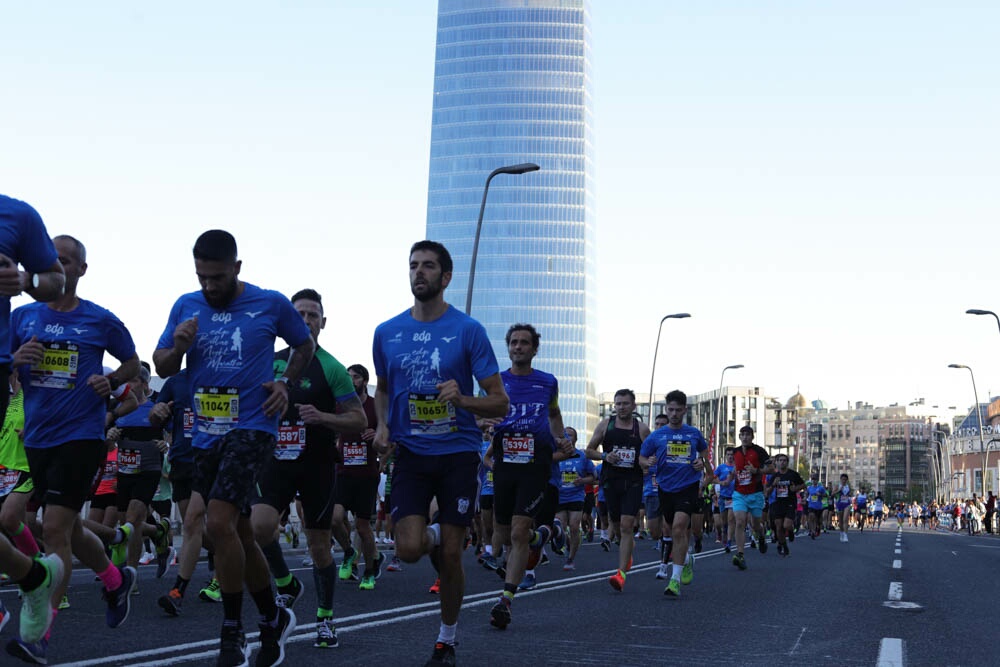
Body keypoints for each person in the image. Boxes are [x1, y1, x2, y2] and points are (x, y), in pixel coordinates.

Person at [153, 230, 315, 667]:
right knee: (236, 532)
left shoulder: (269, 303)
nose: (210, 286)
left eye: (218, 277)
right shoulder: (186, 305)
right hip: (206, 432)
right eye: (202, 277)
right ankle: (271, 616)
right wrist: (179, 348)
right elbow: (160, 362)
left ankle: (231, 634)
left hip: (253, 426)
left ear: (237, 269)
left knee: (218, 522)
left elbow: (304, 343)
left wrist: (285, 382)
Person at [372, 240, 508, 666]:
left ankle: (447, 638)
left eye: (428, 266)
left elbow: (500, 402)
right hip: (411, 453)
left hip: (458, 453)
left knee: (450, 554)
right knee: (409, 548)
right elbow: (382, 388)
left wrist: (463, 399)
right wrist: (381, 425)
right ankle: (434, 535)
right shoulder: (387, 331)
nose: (419, 273)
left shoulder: (468, 330)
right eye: (413, 265)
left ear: (445, 277)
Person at [8, 234, 138, 662]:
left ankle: (40, 636)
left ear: (81, 269)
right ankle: (116, 580)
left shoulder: (100, 320)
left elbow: (133, 365)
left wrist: (113, 381)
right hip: (38, 437)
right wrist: (17, 361)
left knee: (56, 529)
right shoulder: (23, 316)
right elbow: (5, 365)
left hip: (81, 436)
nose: (58, 267)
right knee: (68, 528)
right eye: (51, 260)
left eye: (66, 261)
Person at [251, 289, 364, 650]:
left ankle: (326, 618)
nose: (306, 321)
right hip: (274, 461)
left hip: (316, 465)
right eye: (298, 314)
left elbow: (358, 420)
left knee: (319, 547)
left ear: (323, 322)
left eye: (312, 315)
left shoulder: (332, 367)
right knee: (260, 527)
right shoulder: (271, 361)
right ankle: (286, 584)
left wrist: (324, 417)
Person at [486, 323, 571, 630]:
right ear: (508, 347)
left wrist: (561, 437)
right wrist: (485, 422)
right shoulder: (496, 382)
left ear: (535, 349)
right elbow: (483, 414)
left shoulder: (548, 382)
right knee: (506, 534)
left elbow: (553, 415)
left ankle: (505, 600)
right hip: (505, 462)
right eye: (514, 342)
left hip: (536, 463)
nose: (518, 347)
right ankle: (548, 534)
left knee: (520, 532)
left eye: (524, 343)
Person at [638, 390, 712, 598]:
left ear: (684, 410)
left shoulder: (694, 434)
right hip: (665, 488)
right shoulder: (657, 436)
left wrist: (701, 463)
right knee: (669, 529)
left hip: (688, 486)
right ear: (666, 409)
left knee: (680, 527)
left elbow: (706, 459)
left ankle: (674, 579)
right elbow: (641, 459)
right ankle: (687, 558)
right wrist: (647, 462)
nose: (674, 414)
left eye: (678, 410)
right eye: (670, 409)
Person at [586, 389, 650, 592]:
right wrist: (605, 457)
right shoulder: (606, 425)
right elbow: (589, 451)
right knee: (615, 525)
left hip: (633, 481)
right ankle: (627, 553)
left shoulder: (641, 428)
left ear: (633, 406)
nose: (621, 407)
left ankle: (620, 574)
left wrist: (647, 463)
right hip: (611, 481)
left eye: (625, 403)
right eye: (618, 404)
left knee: (626, 524)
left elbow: (651, 454)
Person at [330, 361, 382, 592]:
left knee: (362, 527)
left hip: (367, 474)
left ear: (364, 381)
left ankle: (370, 570)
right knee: (334, 518)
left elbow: (386, 439)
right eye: (348, 376)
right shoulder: (340, 406)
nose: (351, 380)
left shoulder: (374, 406)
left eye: (356, 377)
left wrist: (377, 435)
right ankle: (350, 552)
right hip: (343, 471)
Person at [730, 426, 773, 571]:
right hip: (739, 493)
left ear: (752, 437)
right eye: (742, 434)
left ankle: (761, 535)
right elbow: (734, 469)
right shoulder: (735, 452)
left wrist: (757, 471)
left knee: (755, 525)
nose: (745, 437)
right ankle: (740, 554)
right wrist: (728, 478)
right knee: (740, 521)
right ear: (739, 436)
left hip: (755, 493)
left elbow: (772, 468)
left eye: (748, 434)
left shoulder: (759, 451)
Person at [555, 426, 595, 571]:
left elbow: (593, 477)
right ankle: (565, 544)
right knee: (560, 526)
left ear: (575, 439)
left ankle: (571, 558)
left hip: (576, 496)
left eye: (570, 435)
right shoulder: (556, 456)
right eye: (565, 434)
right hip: (559, 496)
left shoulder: (582, 456)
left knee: (573, 526)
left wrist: (582, 481)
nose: (567, 437)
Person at [763, 454, 804, 556]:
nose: (782, 462)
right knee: (779, 527)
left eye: (784, 460)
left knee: (787, 525)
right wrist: (773, 485)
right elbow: (767, 492)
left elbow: (803, 485)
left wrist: (795, 489)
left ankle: (790, 531)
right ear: (776, 462)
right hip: (777, 503)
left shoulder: (793, 474)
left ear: (787, 462)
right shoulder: (774, 476)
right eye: (780, 460)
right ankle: (783, 545)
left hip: (790, 502)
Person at [714, 447, 736, 552]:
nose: (730, 456)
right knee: (724, 521)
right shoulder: (721, 467)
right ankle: (724, 532)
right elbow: (713, 477)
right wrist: (720, 482)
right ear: (725, 456)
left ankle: (729, 541)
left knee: (731, 519)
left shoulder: (737, 467)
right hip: (723, 496)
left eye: (732, 454)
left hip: (734, 497)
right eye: (728, 454)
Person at [834, 474, 852, 543]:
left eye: (845, 479)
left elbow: (848, 494)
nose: (844, 481)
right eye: (843, 479)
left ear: (847, 480)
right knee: (840, 521)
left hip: (846, 504)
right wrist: (839, 490)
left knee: (845, 520)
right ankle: (841, 533)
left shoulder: (848, 486)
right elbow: (832, 494)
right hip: (839, 505)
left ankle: (845, 535)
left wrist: (849, 497)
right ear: (840, 479)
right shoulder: (837, 486)